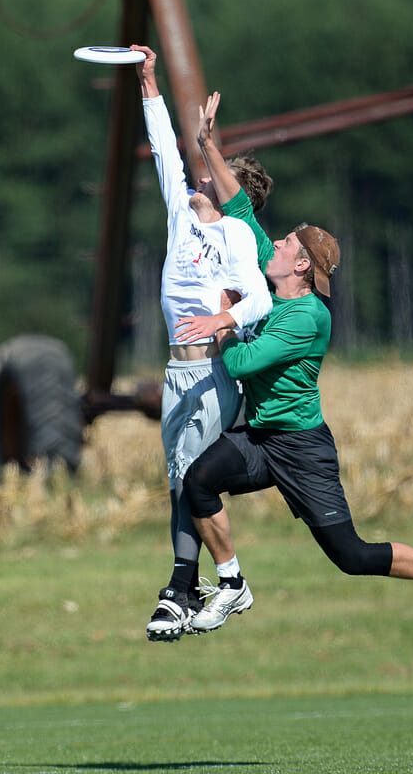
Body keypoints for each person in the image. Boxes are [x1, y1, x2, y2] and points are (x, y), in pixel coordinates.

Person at [173, 92, 413, 635]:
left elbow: (241, 362)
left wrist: (225, 317)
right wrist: (209, 145)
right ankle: (232, 585)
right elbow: (238, 209)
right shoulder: (270, 277)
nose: (275, 242)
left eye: (286, 243)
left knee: (351, 555)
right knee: (199, 479)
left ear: (301, 264)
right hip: (262, 438)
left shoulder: (306, 317)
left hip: (302, 448)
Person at [130, 49, 274, 641]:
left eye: (208, 176)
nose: (196, 179)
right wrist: (148, 79)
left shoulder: (237, 233)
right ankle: (184, 591)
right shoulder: (179, 217)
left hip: (213, 377)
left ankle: (182, 591)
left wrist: (224, 321)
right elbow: (164, 147)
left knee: (193, 477)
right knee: (177, 481)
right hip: (173, 374)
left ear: (226, 188)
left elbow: (261, 301)